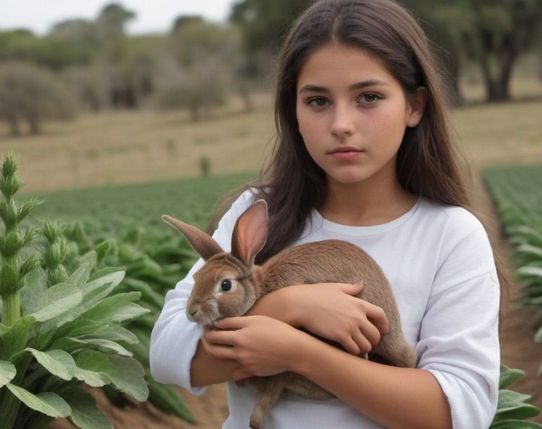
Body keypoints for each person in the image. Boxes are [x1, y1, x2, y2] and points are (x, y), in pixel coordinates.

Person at [150, 0, 502, 427]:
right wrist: (285, 307)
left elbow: (458, 412)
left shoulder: (450, 234)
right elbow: (169, 356)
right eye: (318, 101)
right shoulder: (259, 211)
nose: (341, 124)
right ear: (293, 112)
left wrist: (301, 353)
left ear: (415, 106)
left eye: (368, 97)